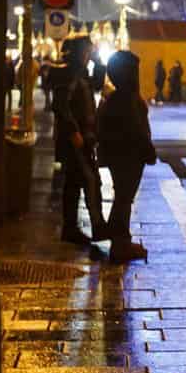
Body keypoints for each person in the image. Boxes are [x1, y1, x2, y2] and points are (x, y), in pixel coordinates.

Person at [96, 50, 156, 263]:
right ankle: (120, 243)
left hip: (119, 155)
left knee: (122, 196)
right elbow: (136, 129)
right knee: (124, 197)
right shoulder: (126, 100)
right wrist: (148, 150)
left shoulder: (114, 98)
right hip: (129, 155)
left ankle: (119, 238)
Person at [49, 35, 108, 247]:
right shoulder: (70, 73)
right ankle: (97, 225)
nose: (88, 54)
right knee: (90, 180)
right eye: (87, 51)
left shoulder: (81, 72)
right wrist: (74, 132)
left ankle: (70, 228)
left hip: (83, 137)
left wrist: (98, 61)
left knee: (73, 183)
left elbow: (98, 84)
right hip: (75, 139)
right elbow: (60, 104)